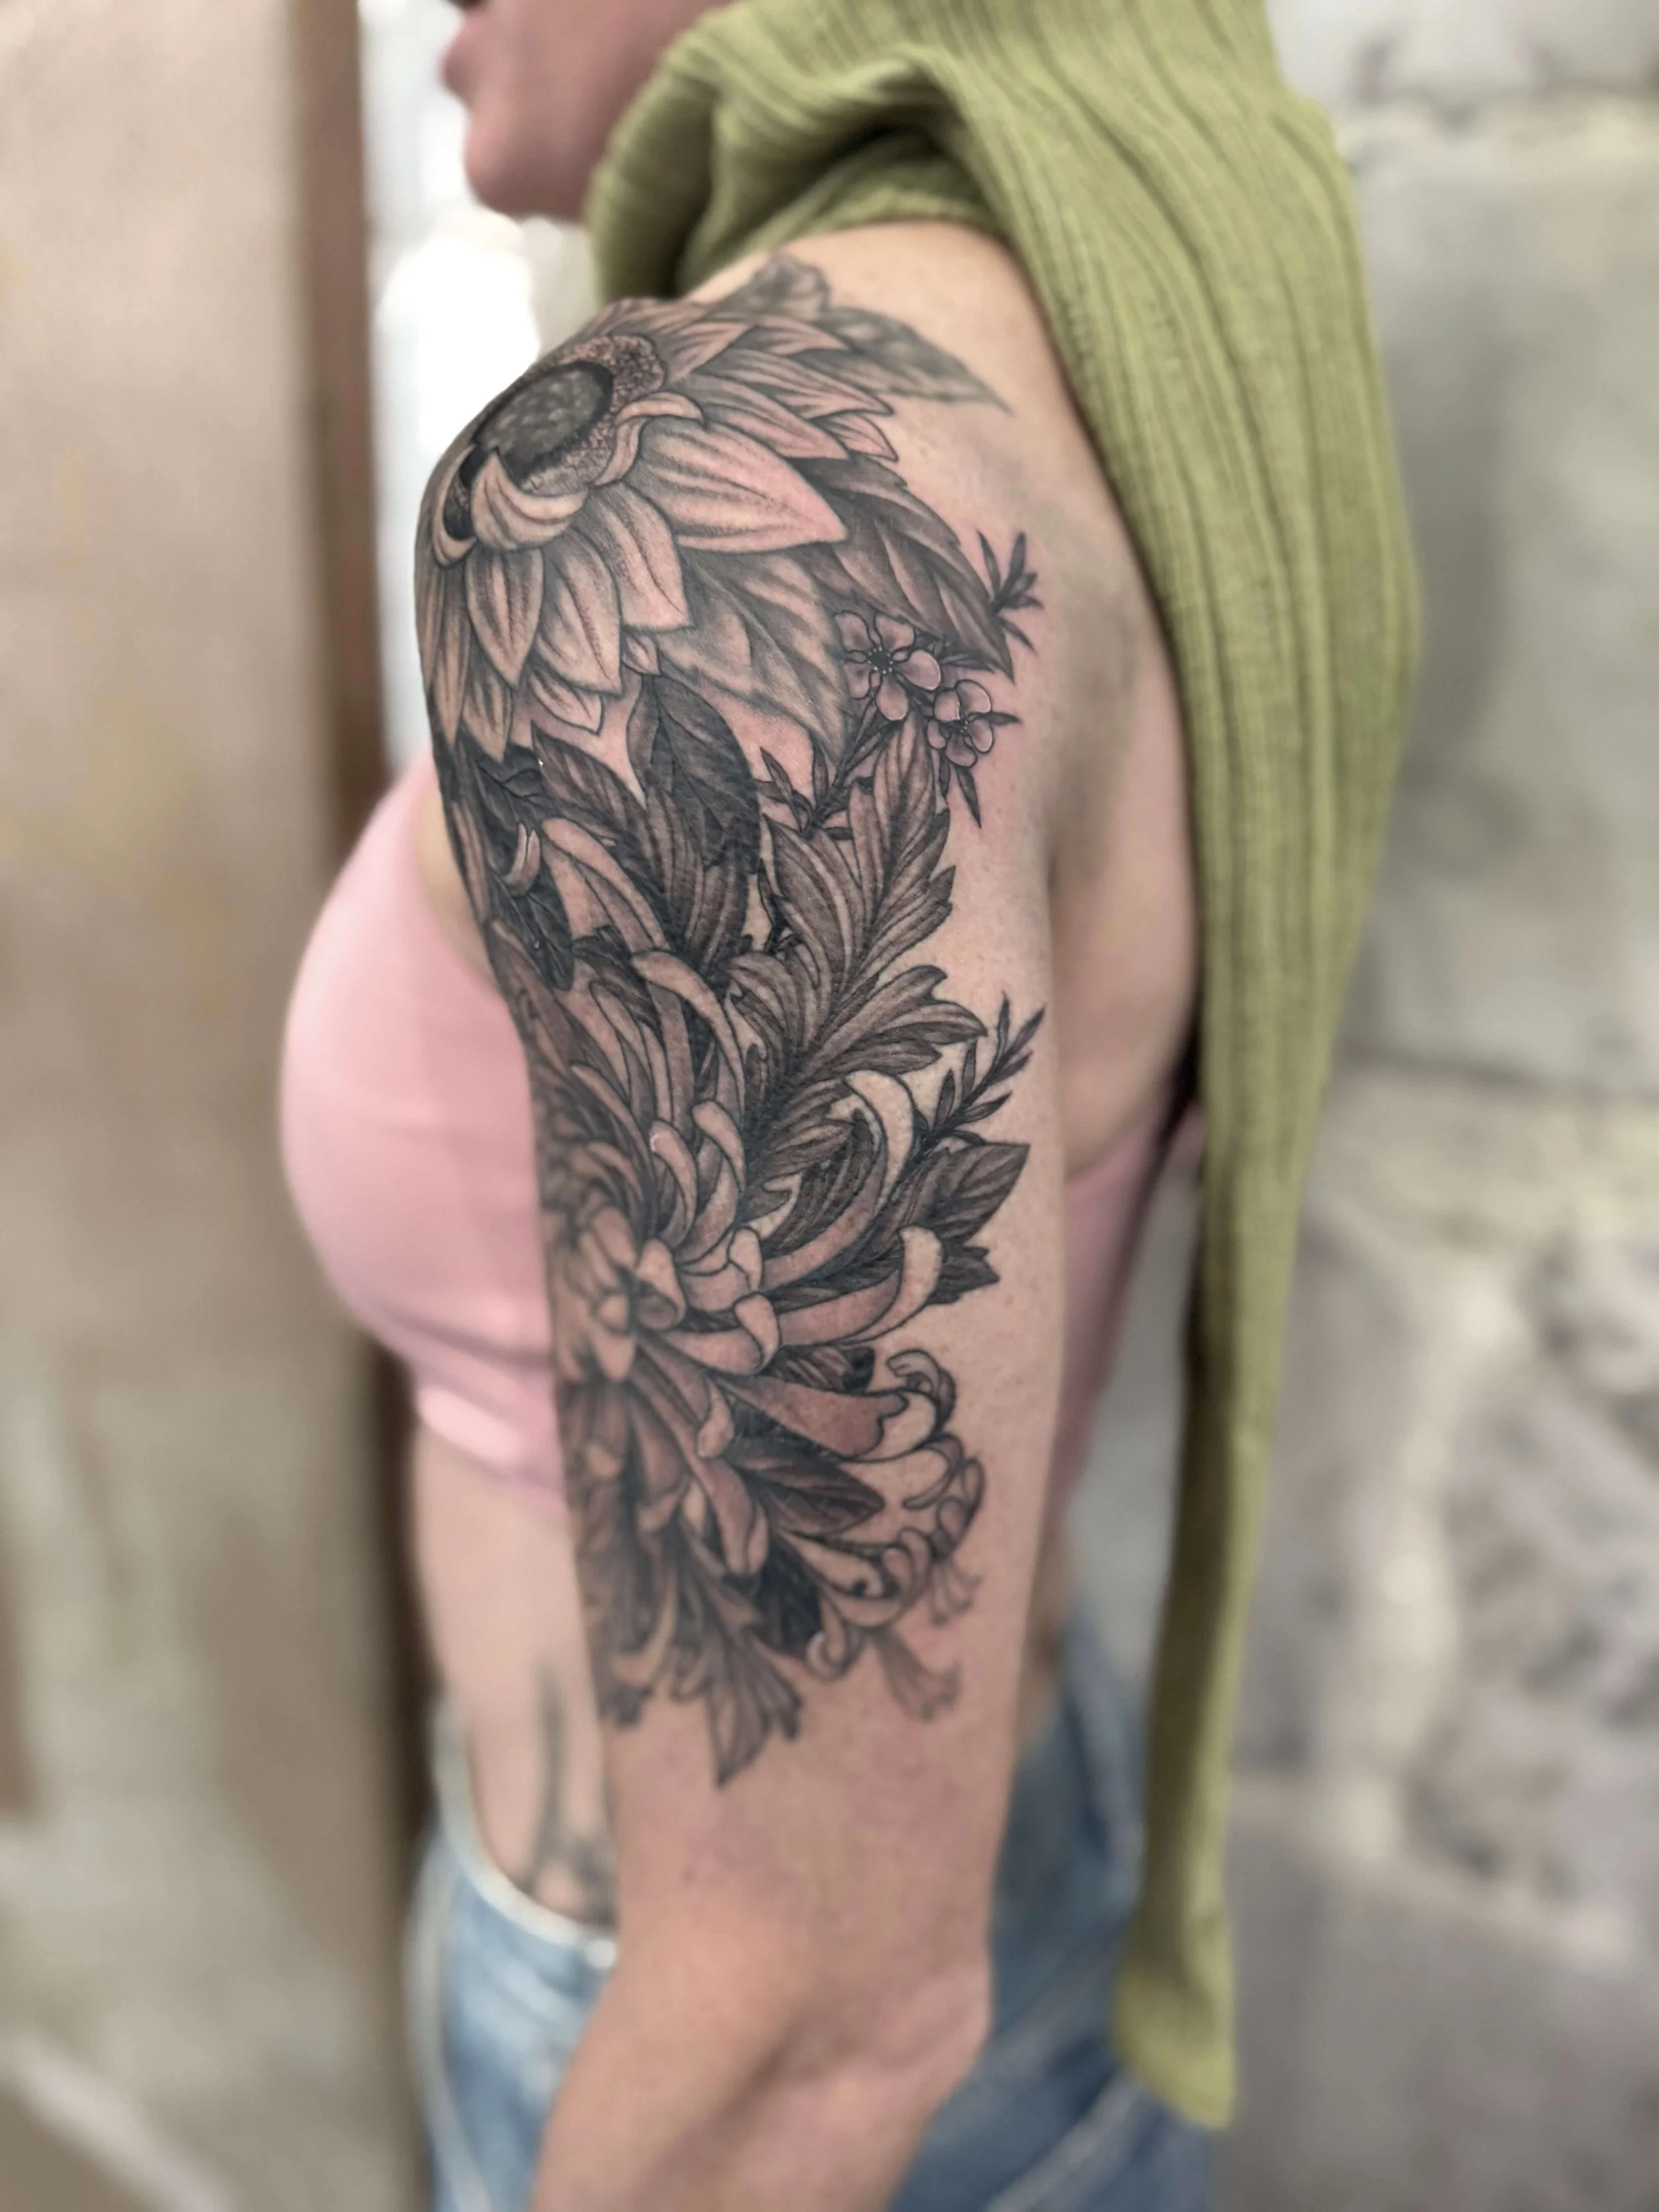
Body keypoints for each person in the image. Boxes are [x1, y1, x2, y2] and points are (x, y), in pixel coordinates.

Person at [281, 1, 1415, 2206]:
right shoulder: (1132, 330)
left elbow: (810, 2027)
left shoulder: (711, 506)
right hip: (1003, 1862)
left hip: (701, 2053)